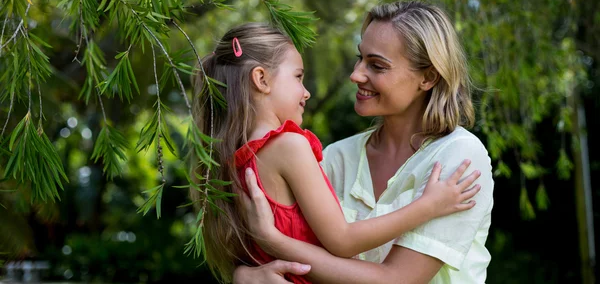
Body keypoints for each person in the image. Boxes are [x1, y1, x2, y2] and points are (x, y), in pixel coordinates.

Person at [190, 22, 482, 283]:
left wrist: (269, 243)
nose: (306, 92)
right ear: (261, 80)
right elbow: (342, 240)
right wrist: (427, 207)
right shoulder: (296, 147)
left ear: (427, 77)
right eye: (298, 77)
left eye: (377, 65)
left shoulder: (234, 157)